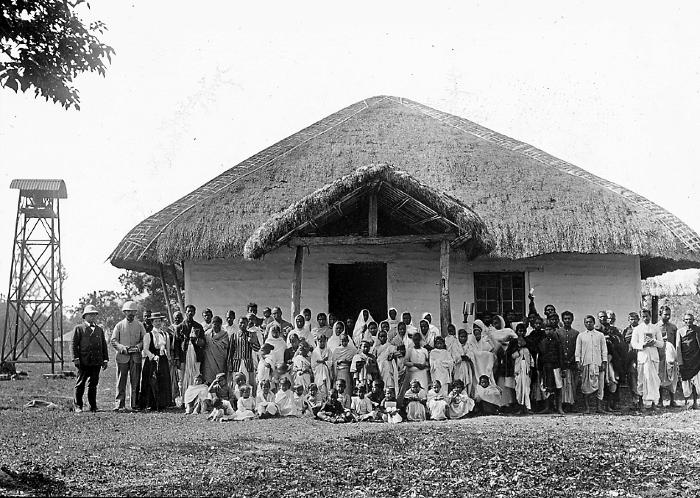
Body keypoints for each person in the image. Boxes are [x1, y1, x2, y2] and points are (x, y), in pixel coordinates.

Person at [71, 305, 108, 413]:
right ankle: (78, 405)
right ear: (85, 316)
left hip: (96, 361)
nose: (92, 317)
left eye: (94, 315)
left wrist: (105, 359)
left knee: (93, 384)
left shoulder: (99, 330)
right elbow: (73, 345)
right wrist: (75, 358)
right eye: (90, 314)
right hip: (83, 361)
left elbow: (103, 345)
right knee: (80, 384)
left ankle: (93, 406)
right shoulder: (79, 328)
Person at [110, 301, 145, 411]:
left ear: (135, 312)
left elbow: (145, 339)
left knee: (135, 381)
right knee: (121, 381)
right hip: (122, 357)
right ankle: (119, 404)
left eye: (133, 311)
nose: (130, 313)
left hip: (136, 357)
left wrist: (138, 347)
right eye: (128, 311)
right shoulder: (119, 325)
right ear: (124, 312)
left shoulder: (139, 325)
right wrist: (122, 348)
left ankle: (134, 404)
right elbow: (113, 340)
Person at [631, 309, 664, 410]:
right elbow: (633, 344)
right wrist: (643, 345)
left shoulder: (655, 328)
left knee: (654, 380)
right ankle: (641, 403)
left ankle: (654, 404)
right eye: (643, 316)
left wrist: (654, 342)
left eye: (647, 316)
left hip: (653, 357)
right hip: (643, 357)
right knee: (642, 380)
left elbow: (661, 344)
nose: (645, 318)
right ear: (641, 317)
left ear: (650, 316)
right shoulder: (637, 329)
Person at [139, 312, 172, 411]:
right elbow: (145, 349)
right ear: (152, 323)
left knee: (163, 381)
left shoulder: (165, 334)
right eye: (155, 321)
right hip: (152, 361)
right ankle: (152, 404)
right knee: (152, 381)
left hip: (163, 360)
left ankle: (163, 403)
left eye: (159, 321)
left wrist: (168, 358)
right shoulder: (149, 335)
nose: (158, 323)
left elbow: (168, 348)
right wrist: (153, 357)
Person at [576, 315, 608, 414]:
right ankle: (587, 408)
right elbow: (578, 350)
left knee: (600, 386)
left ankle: (599, 407)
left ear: (594, 323)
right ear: (584, 323)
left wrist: (604, 362)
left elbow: (604, 350)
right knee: (586, 386)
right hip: (586, 363)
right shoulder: (581, 336)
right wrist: (578, 362)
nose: (588, 324)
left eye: (590, 322)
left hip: (598, 363)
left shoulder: (600, 335)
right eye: (586, 322)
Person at [598, 311, 625, 412]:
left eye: (605, 317)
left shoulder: (614, 330)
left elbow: (620, 343)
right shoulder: (596, 330)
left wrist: (612, 339)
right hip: (600, 360)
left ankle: (612, 404)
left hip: (612, 359)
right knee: (602, 382)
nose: (604, 319)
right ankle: (600, 405)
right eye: (601, 317)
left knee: (613, 380)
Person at [537, 317, 564, 414]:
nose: (548, 331)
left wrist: (562, 368)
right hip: (546, 367)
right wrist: (539, 369)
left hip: (556, 367)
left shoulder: (557, 342)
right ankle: (547, 407)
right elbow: (540, 356)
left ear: (554, 330)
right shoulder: (542, 342)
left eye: (550, 329)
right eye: (546, 329)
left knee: (558, 387)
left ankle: (559, 407)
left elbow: (561, 355)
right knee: (546, 387)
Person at [178, 304, 206, 393]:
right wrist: (177, 358)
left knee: (195, 376)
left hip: (196, 356)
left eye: (192, 311)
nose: (190, 313)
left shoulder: (198, 326)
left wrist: (197, 339)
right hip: (183, 356)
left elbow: (203, 342)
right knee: (183, 378)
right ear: (185, 312)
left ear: (194, 313)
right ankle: (184, 400)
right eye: (188, 311)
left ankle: (195, 398)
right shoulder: (180, 327)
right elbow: (176, 344)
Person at [228, 316, 260, 392]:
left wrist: (252, 342)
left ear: (247, 324)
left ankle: (249, 399)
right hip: (237, 362)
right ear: (238, 324)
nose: (242, 325)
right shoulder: (234, 335)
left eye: (244, 323)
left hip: (247, 362)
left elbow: (258, 348)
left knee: (249, 382)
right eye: (241, 323)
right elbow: (231, 351)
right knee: (236, 381)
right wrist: (229, 363)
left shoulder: (252, 334)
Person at [556, 311, 579, 411]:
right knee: (562, 383)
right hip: (561, 362)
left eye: (569, 318)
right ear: (562, 320)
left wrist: (571, 359)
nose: (567, 321)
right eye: (565, 319)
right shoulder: (558, 332)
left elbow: (577, 349)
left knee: (571, 383)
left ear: (572, 319)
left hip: (572, 362)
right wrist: (562, 360)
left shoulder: (576, 333)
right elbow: (557, 347)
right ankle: (562, 404)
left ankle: (571, 404)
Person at [676, 313, 700, 409]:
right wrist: (680, 362)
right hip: (685, 360)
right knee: (686, 381)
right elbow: (678, 347)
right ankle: (686, 402)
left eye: (690, 319)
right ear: (683, 321)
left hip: (696, 359)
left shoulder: (698, 330)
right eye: (686, 319)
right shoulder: (680, 331)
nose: (688, 321)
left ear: (693, 319)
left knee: (696, 382)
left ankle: (695, 402)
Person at [508, 323, 532, 414]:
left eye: (523, 331)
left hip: (526, 367)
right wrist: (517, 347)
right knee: (518, 387)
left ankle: (527, 407)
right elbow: (509, 354)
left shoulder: (528, 341)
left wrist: (525, 345)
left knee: (526, 387)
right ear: (516, 332)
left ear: (525, 332)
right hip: (517, 367)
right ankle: (519, 406)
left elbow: (532, 353)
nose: (521, 333)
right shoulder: (513, 342)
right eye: (519, 331)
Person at [657, 306, 679, 407]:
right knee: (660, 377)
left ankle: (672, 400)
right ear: (660, 314)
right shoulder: (656, 327)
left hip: (671, 356)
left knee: (672, 376)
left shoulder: (673, 327)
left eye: (669, 314)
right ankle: (660, 400)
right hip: (660, 356)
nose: (667, 316)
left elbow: (676, 342)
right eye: (665, 314)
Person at [202, 316, 229, 384]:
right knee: (209, 378)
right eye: (214, 324)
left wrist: (214, 344)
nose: (216, 326)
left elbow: (225, 345)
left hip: (220, 360)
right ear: (212, 324)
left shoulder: (224, 334)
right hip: (209, 360)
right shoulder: (207, 334)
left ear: (221, 325)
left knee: (220, 378)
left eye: (218, 324)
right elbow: (204, 344)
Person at [622, 311, 641, 405]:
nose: (633, 321)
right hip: (630, 357)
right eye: (631, 319)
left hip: (640, 356)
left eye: (635, 319)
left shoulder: (642, 329)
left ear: (638, 319)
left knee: (641, 377)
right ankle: (634, 398)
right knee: (631, 376)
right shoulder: (626, 331)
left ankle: (641, 399)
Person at [166, 311, 183, 406]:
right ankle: (172, 398)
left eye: (179, 317)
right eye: (176, 317)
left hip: (182, 355)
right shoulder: (169, 330)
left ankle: (183, 399)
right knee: (172, 378)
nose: (177, 319)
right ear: (173, 318)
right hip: (172, 356)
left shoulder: (184, 327)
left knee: (182, 378)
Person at [311, 333, 332, 399]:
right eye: (320, 341)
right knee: (319, 387)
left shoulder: (328, 350)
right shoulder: (315, 352)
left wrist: (324, 362)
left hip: (326, 372)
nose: (322, 343)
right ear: (318, 341)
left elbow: (330, 362)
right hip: (318, 373)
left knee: (326, 388)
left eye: (323, 341)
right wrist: (322, 361)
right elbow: (313, 364)